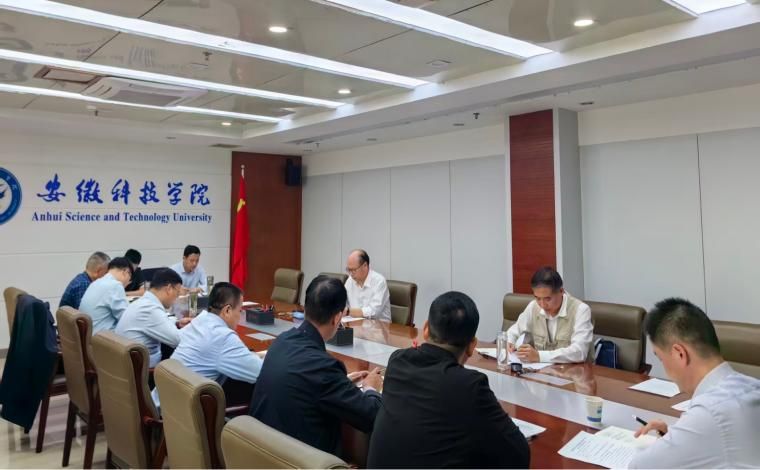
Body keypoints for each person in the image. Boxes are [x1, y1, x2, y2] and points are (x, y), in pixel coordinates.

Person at [367, 291, 530, 468]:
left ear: (426, 329)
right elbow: (519, 454)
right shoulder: (469, 385)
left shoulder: (398, 361)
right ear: (472, 346)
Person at [249, 276, 383, 455]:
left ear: (305, 309)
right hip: (300, 461)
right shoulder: (325, 368)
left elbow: (308, 383)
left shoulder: (281, 341)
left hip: (261, 452)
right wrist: (371, 388)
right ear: (338, 317)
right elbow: (371, 416)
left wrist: (341, 383)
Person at [628, 298, 760, 468]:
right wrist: (677, 439)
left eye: (661, 359)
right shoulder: (752, 386)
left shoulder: (709, 413)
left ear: (679, 354)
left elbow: (638, 467)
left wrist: (678, 441)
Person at [155, 282, 261, 406]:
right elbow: (261, 373)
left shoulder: (199, 321)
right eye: (240, 310)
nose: (240, 315)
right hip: (181, 411)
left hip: (162, 404)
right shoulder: (222, 337)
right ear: (227, 310)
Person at [506, 267, 593, 363]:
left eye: (547, 299)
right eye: (538, 298)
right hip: (544, 370)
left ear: (561, 291)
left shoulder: (581, 310)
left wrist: (539, 356)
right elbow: (514, 331)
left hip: (576, 371)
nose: (542, 305)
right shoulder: (533, 306)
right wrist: (510, 341)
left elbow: (580, 351)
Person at [115, 268, 191, 367]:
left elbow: (156, 322)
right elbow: (178, 340)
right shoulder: (150, 309)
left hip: (127, 364)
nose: (176, 298)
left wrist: (177, 323)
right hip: (144, 370)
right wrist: (194, 327)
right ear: (168, 289)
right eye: (177, 293)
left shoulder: (142, 302)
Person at [78, 257, 133, 334]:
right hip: (101, 337)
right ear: (125, 272)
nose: (128, 282)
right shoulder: (115, 285)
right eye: (130, 277)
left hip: (89, 334)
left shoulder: (96, 282)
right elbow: (125, 319)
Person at [344, 249, 391, 322]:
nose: (351, 274)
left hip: (379, 326)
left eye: (354, 270)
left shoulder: (379, 281)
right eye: (349, 270)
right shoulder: (350, 281)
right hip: (356, 324)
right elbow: (344, 303)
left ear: (365, 265)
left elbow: (374, 312)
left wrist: (348, 312)